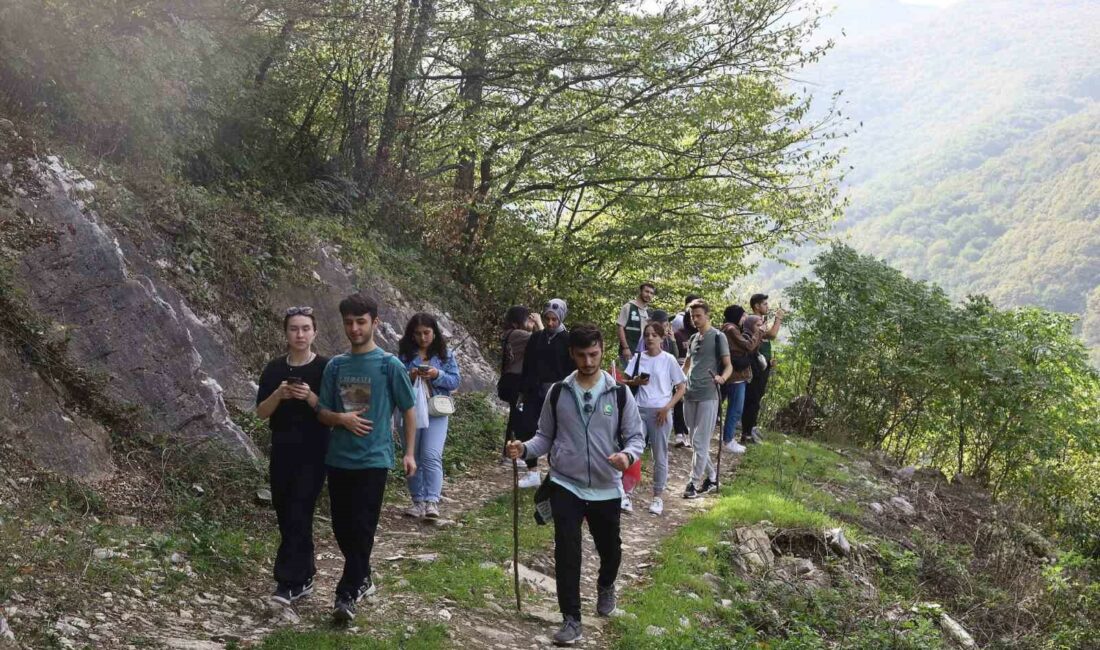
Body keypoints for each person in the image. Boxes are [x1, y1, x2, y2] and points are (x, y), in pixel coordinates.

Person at [505, 324, 645, 646]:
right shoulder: (558, 392)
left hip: (607, 486)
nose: (588, 361)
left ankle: (606, 583)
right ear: (571, 354)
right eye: (581, 355)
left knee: (610, 549)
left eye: (593, 354)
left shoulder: (619, 393)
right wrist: (524, 449)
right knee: (567, 551)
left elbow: (637, 436)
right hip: (565, 483)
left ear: (602, 349)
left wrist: (627, 455)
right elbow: (545, 437)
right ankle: (571, 618)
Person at [317, 293, 417, 623]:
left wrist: (410, 452)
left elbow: (408, 409)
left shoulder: (390, 365)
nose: (355, 328)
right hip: (339, 458)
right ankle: (363, 574)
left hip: (374, 459)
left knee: (363, 526)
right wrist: (340, 419)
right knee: (343, 528)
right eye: (349, 323)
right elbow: (323, 411)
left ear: (375, 322)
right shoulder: (336, 365)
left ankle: (346, 594)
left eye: (361, 322)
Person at [255, 306, 330, 605]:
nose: (299, 334)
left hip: (314, 450)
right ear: (285, 333)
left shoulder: (326, 368)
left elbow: (335, 412)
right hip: (282, 448)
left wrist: (310, 397)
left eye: (305, 328)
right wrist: (279, 394)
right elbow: (261, 412)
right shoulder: (274, 369)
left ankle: (288, 581)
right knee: (285, 510)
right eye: (293, 329)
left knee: (300, 509)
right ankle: (306, 572)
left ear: (314, 332)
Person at [398, 313, 461, 519]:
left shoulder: (445, 355)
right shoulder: (405, 356)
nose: (423, 338)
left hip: (436, 409)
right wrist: (411, 375)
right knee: (413, 455)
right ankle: (418, 500)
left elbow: (454, 381)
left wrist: (437, 375)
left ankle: (432, 500)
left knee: (431, 455)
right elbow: (397, 381)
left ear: (434, 333)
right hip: (411, 410)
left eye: (426, 333)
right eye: (418, 334)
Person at [622, 321, 686, 515]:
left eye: (654, 335)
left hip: (661, 412)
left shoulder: (669, 360)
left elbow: (681, 387)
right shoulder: (639, 357)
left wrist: (667, 408)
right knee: (633, 450)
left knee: (660, 454)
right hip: (639, 409)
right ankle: (627, 493)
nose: (650, 338)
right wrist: (636, 381)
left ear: (661, 338)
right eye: (647, 335)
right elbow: (624, 381)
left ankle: (657, 497)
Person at [517, 298, 576, 489]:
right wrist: (522, 391)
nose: (550, 323)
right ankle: (532, 471)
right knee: (527, 426)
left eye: (554, 320)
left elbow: (571, 369)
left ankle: (557, 473)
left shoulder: (568, 340)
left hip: (558, 393)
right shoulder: (536, 338)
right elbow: (527, 365)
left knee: (558, 433)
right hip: (534, 390)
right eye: (548, 319)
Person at [679, 300, 732, 499]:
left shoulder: (719, 337)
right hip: (690, 393)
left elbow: (728, 365)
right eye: (693, 316)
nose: (695, 319)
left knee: (700, 441)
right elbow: (687, 364)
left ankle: (692, 483)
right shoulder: (693, 338)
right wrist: (677, 381)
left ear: (708, 315)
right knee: (695, 442)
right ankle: (712, 477)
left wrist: (722, 378)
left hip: (709, 394)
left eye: (699, 315)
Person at [719, 305, 765, 454]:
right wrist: (759, 333)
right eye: (743, 315)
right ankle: (728, 440)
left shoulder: (730, 329)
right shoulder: (731, 329)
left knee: (735, 408)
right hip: (736, 376)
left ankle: (727, 438)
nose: (744, 319)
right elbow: (748, 346)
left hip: (737, 375)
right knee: (735, 409)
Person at [742, 294, 785, 443]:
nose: (768, 306)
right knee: (752, 398)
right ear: (757, 306)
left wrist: (768, 360)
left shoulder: (761, 321)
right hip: (755, 365)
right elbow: (772, 335)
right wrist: (779, 318)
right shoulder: (754, 320)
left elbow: (765, 341)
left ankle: (751, 429)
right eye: (765, 304)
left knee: (757, 397)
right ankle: (747, 432)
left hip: (763, 363)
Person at [497, 306, 535, 465]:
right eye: (528, 319)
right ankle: (513, 454)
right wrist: (539, 322)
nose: (530, 322)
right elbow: (541, 337)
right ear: (518, 321)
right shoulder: (518, 334)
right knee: (519, 417)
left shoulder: (508, 335)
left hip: (508, 379)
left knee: (515, 416)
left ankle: (509, 453)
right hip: (515, 381)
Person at [671, 294, 700, 448]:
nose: (693, 320)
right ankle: (679, 434)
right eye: (690, 316)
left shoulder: (701, 335)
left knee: (691, 403)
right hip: (680, 370)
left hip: (696, 372)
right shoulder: (678, 333)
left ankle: (689, 433)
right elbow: (674, 353)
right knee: (678, 402)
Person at [616, 282, 655, 365]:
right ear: (640, 291)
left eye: (651, 293)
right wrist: (625, 348)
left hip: (643, 352)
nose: (649, 295)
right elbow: (620, 327)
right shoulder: (628, 307)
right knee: (628, 377)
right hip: (629, 351)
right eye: (646, 291)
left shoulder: (648, 312)